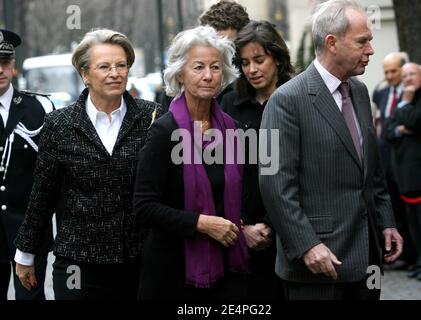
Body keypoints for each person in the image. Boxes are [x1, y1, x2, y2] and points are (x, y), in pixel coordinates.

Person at [258, 0, 403, 300]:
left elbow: (372, 174)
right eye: (362, 41)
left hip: (367, 261)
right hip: (317, 266)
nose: (371, 50)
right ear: (332, 43)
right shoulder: (286, 100)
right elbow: (274, 185)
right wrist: (307, 245)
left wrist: (386, 222)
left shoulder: (360, 92)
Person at [14, 29, 162, 299]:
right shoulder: (60, 124)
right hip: (78, 265)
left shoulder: (150, 116)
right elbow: (43, 195)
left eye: (121, 65)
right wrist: (25, 252)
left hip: (137, 261)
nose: (115, 73)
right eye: (104, 66)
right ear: (85, 74)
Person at [133, 26, 248, 300]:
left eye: (215, 67)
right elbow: (143, 206)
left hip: (225, 268)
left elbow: (238, 194)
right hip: (172, 271)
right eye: (198, 67)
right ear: (180, 73)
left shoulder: (232, 130)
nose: (208, 76)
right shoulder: (164, 131)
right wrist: (202, 223)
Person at [221, 20, 294, 300]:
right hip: (242, 230)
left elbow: (303, 170)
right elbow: (223, 169)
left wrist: (271, 224)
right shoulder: (230, 103)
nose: (252, 70)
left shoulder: (297, 98)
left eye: (259, 60)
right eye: (245, 62)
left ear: (277, 57)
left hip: (291, 228)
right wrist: (243, 225)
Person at [0, 29, 53, 300]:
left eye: (4, 62)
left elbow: (50, 175)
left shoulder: (39, 109)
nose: (0, 70)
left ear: (13, 64)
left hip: (29, 232)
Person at [385, 63, 421, 281]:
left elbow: (416, 121)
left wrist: (406, 106)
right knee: (414, 224)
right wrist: (402, 126)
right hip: (405, 174)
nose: (408, 79)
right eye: (406, 75)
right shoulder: (405, 99)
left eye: (413, 74)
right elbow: (390, 130)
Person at [160, 0, 250, 109]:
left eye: (230, 47)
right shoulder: (176, 93)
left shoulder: (252, 87)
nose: (222, 53)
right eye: (213, 44)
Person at [372, 52, 413, 271]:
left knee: (409, 210)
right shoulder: (381, 93)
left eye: (393, 71)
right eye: (386, 71)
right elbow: (385, 125)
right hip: (385, 158)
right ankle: (395, 253)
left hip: (407, 161)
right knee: (392, 207)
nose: (389, 76)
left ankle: (411, 254)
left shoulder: (411, 93)